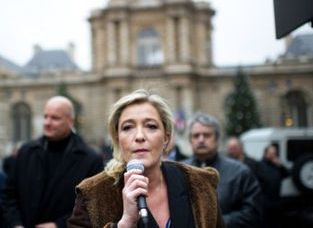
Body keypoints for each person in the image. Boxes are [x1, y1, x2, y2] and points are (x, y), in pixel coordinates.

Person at [68, 89, 224, 228]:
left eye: (151, 126)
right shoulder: (92, 195)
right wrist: (125, 224)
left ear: (166, 138)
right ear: (117, 139)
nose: (140, 136)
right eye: (128, 127)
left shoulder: (200, 184)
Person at [3, 95, 104, 228]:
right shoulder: (26, 152)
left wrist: (60, 225)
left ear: (70, 121)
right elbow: (9, 196)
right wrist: (15, 224)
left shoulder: (91, 160)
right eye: (45, 116)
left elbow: (94, 206)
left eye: (55, 118)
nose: (47, 122)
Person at [183, 112, 262, 228]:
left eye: (207, 135)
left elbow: (252, 213)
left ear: (217, 139)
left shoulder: (240, 172)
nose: (201, 139)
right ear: (190, 140)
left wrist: (214, 223)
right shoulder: (179, 170)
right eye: (196, 135)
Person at [256, 144, 289, 228]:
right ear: (266, 153)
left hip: (277, 199)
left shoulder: (276, 165)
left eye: (275, 153)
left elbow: (287, 174)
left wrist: (280, 165)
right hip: (265, 201)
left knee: (277, 222)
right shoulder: (260, 165)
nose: (273, 155)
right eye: (271, 153)